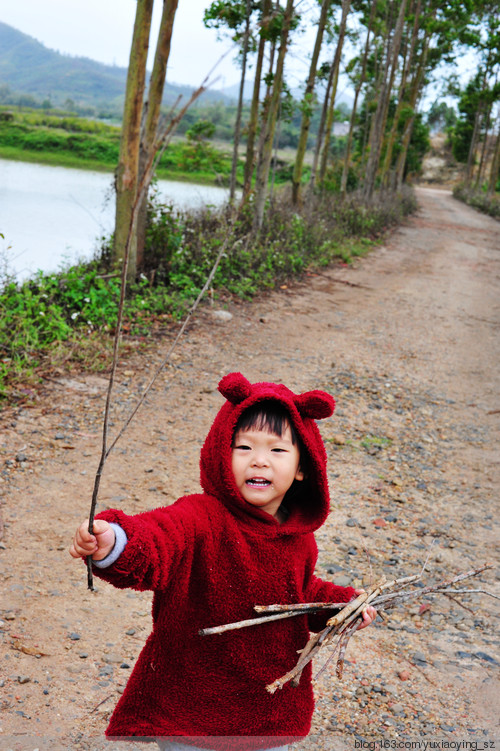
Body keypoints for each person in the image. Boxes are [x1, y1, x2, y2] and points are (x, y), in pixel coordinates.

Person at [70, 372, 376, 751]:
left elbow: (296, 595)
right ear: (219, 452)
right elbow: (160, 538)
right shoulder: (201, 517)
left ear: (302, 467)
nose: (259, 461)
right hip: (193, 707)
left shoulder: (299, 538)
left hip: (268, 708)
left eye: (277, 450)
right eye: (243, 447)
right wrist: (115, 541)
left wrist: (339, 605)